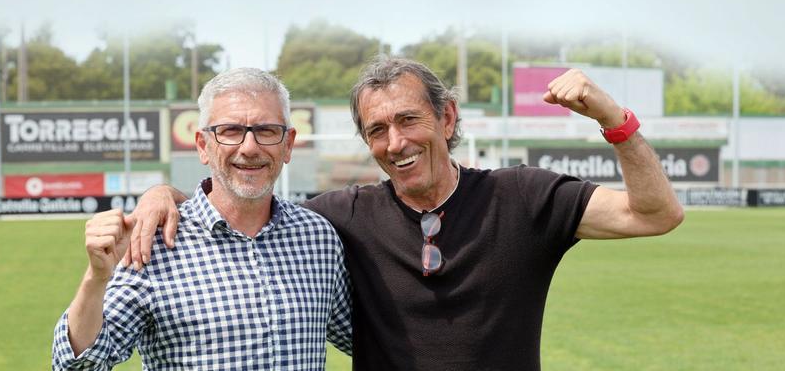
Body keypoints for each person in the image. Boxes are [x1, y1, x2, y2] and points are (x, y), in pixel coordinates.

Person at [128, 57, 683, 370]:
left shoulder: (525, 199)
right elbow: (244, 198)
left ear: (447, 119)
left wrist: (613, 118)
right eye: (376, 130)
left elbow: (655, 214)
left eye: (409, 120)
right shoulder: (340, 217)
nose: (396, 142)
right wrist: (163, 196)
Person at [52, 68, 352, 370]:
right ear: (202, 146)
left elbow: (370, 338)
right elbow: (76, 366)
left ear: (287, 145)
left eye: (266, 131)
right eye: (230, 131)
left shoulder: (317, 238)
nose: (249, 147)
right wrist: (96, 278)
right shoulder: (153, 241)